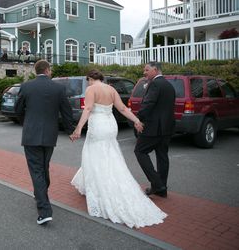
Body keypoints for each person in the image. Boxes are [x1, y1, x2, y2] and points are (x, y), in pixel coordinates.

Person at [69, 69, 167, 229]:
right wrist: (136, 121)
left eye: (88, 80)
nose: (87, 83)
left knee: (96, 156)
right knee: (110, 155)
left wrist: (78, 128)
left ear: (91, 79)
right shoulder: (111, 89)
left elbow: (87, 109)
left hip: (98, 126)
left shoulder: (91, 89)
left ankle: (102, 188)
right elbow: (122, 109)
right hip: (110, 126)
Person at [15, 60, 75, 225]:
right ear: (47, 70)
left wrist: (26, 123)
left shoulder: (26, 86)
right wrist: (70, 130)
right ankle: (40, 194)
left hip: (31, 134)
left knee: (37, 171)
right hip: (49, 135)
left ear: (36, 71)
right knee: (43, 168)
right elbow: (67, 111)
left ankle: (44, 210)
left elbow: (17, 110)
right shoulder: (58, 88)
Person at [135, 61, 175, 198]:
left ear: (156, 70)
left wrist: (138, 119)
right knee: (162, 156)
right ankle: (162, 190)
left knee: (140, 151)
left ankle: (157, 184)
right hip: (167, 128)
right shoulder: (169, 85)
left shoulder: (155, 84)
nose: (144, 72)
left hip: (153, 128)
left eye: (147, 70)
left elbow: (148, 103)